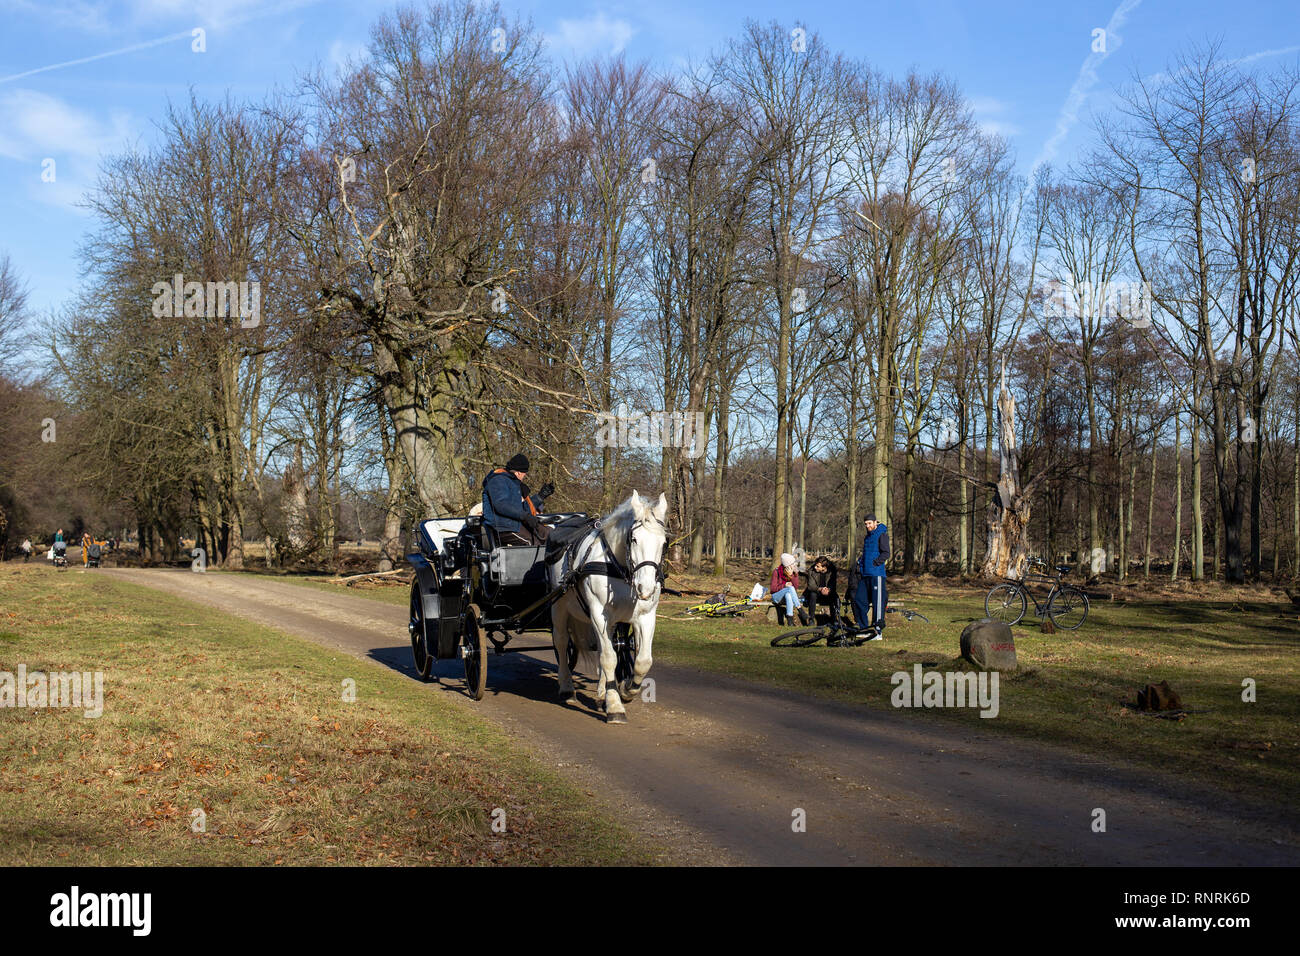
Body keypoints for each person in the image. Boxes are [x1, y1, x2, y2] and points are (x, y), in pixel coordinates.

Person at [482, 453, 555, 546]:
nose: (524, 476)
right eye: (525, 473)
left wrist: (540, 496)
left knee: (548, 534)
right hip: (502, 527)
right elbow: (501, 505)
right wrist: (524, 516)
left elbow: (520, 510)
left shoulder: (512, 483)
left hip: (513, 524)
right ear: (519, 472)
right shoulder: (498, 480)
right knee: (533, 544)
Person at [851, 514, 889, 637]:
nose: (868, 526)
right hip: (865, 574)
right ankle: (865, 629)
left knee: (878, 604)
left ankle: (877, 632)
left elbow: (886, 553)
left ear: (875, 522)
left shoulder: (881, 534)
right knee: (859, 600)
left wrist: (875, 563)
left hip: (876, 575)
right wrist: (861, 564)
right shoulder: (867, 537)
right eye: (866, 524)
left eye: (870, 523)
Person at [769, 552, 809, 626]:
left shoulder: (793, 572)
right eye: (792, 564)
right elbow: (772, 589)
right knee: (789, 588)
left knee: (788, 595)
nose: (794, 565)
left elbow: (795, 587)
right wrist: (784, 586)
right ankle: (800, 609)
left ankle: (790, 621)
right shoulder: (777, 571)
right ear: (787, 565)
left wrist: (793, 576)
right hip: (776, 597)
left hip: (786, 597)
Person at [802, 555, 839, 623]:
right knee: (813, 594)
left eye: (818, 566)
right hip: (816, 591)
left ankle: (834, 619)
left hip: (828, 592)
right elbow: (811, 586)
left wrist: (829, 590)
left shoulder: (832, 571)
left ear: (824, 567)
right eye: (816, 565)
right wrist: (820, 589)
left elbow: (833, 584)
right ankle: (811, 619)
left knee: (834, 596)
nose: (815, 567)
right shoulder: (812, 571)